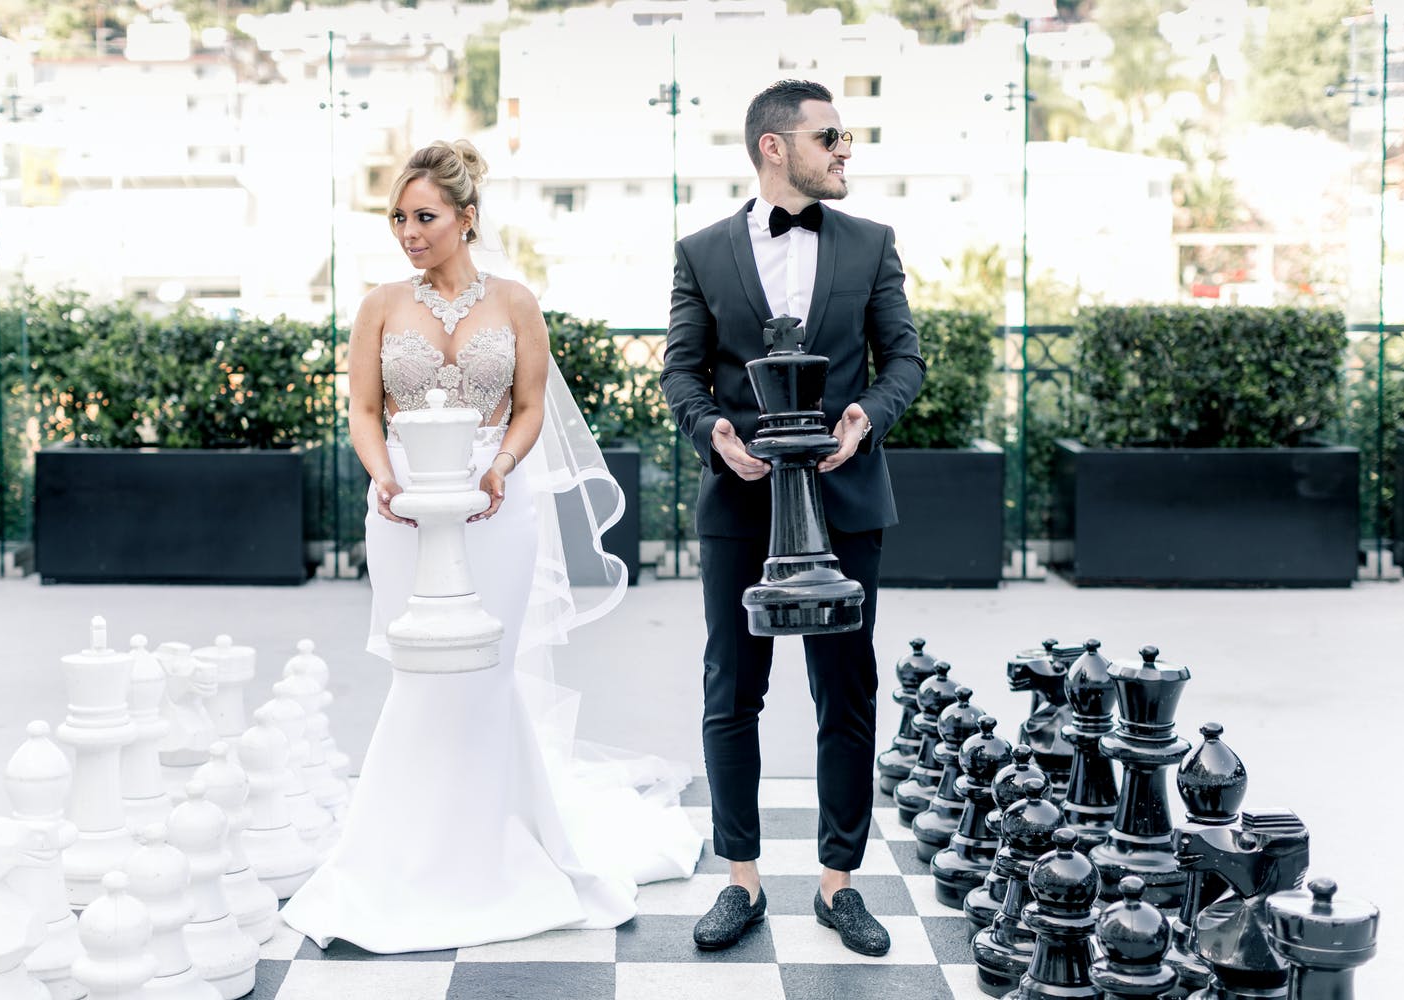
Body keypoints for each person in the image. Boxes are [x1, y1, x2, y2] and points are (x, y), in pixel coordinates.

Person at [280, 140, 701, 953]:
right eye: (398, 217)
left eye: (425, 217)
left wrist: (502, 467)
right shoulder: (377, 307)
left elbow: (530, 406)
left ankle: (497, 840)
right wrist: (383, 479)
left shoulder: (514, 302)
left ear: (466, 219)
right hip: (403, 506)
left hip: (498, 504)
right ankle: (403, 849)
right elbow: (364, 410)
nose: (408, 231)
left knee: (487, 665)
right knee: (420, 665)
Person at [660, 80, 926, 956]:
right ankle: (741, 884)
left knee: (845, 691)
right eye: (831, 136)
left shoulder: (873, 242)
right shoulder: (700, 251)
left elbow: (905, 363)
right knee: (732, 691)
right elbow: (681, 374)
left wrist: (867, 418)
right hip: (739, 501)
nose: (846, 149)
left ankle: (839, 885)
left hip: (846, 500)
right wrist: (714, 433)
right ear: (775, 146)